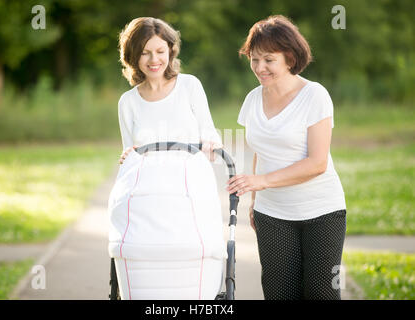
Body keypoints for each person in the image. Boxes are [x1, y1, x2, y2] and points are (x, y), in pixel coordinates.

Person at [227, 15, 347, 300]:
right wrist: (256, 201)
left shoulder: (314, 95)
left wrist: (263, 182)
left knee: (321, 293)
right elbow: (261, 150)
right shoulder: (252, 100)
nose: (259, 67)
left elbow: (317, 163)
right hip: (272, 215)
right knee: (279, 293)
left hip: (321, 212)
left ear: (290, 58)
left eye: (269, 59)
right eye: (254, 59)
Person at [117, 17, 222, 164]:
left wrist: (212, 144)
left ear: (170, 51)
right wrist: (127, 157)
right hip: (149, 182)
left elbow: (209, 133)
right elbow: (130, 154)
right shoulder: (128, 102)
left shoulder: (189, 86)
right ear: (133, 55)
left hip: (190, 178)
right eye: (144, 53)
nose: (154, 59)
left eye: (160, 51)